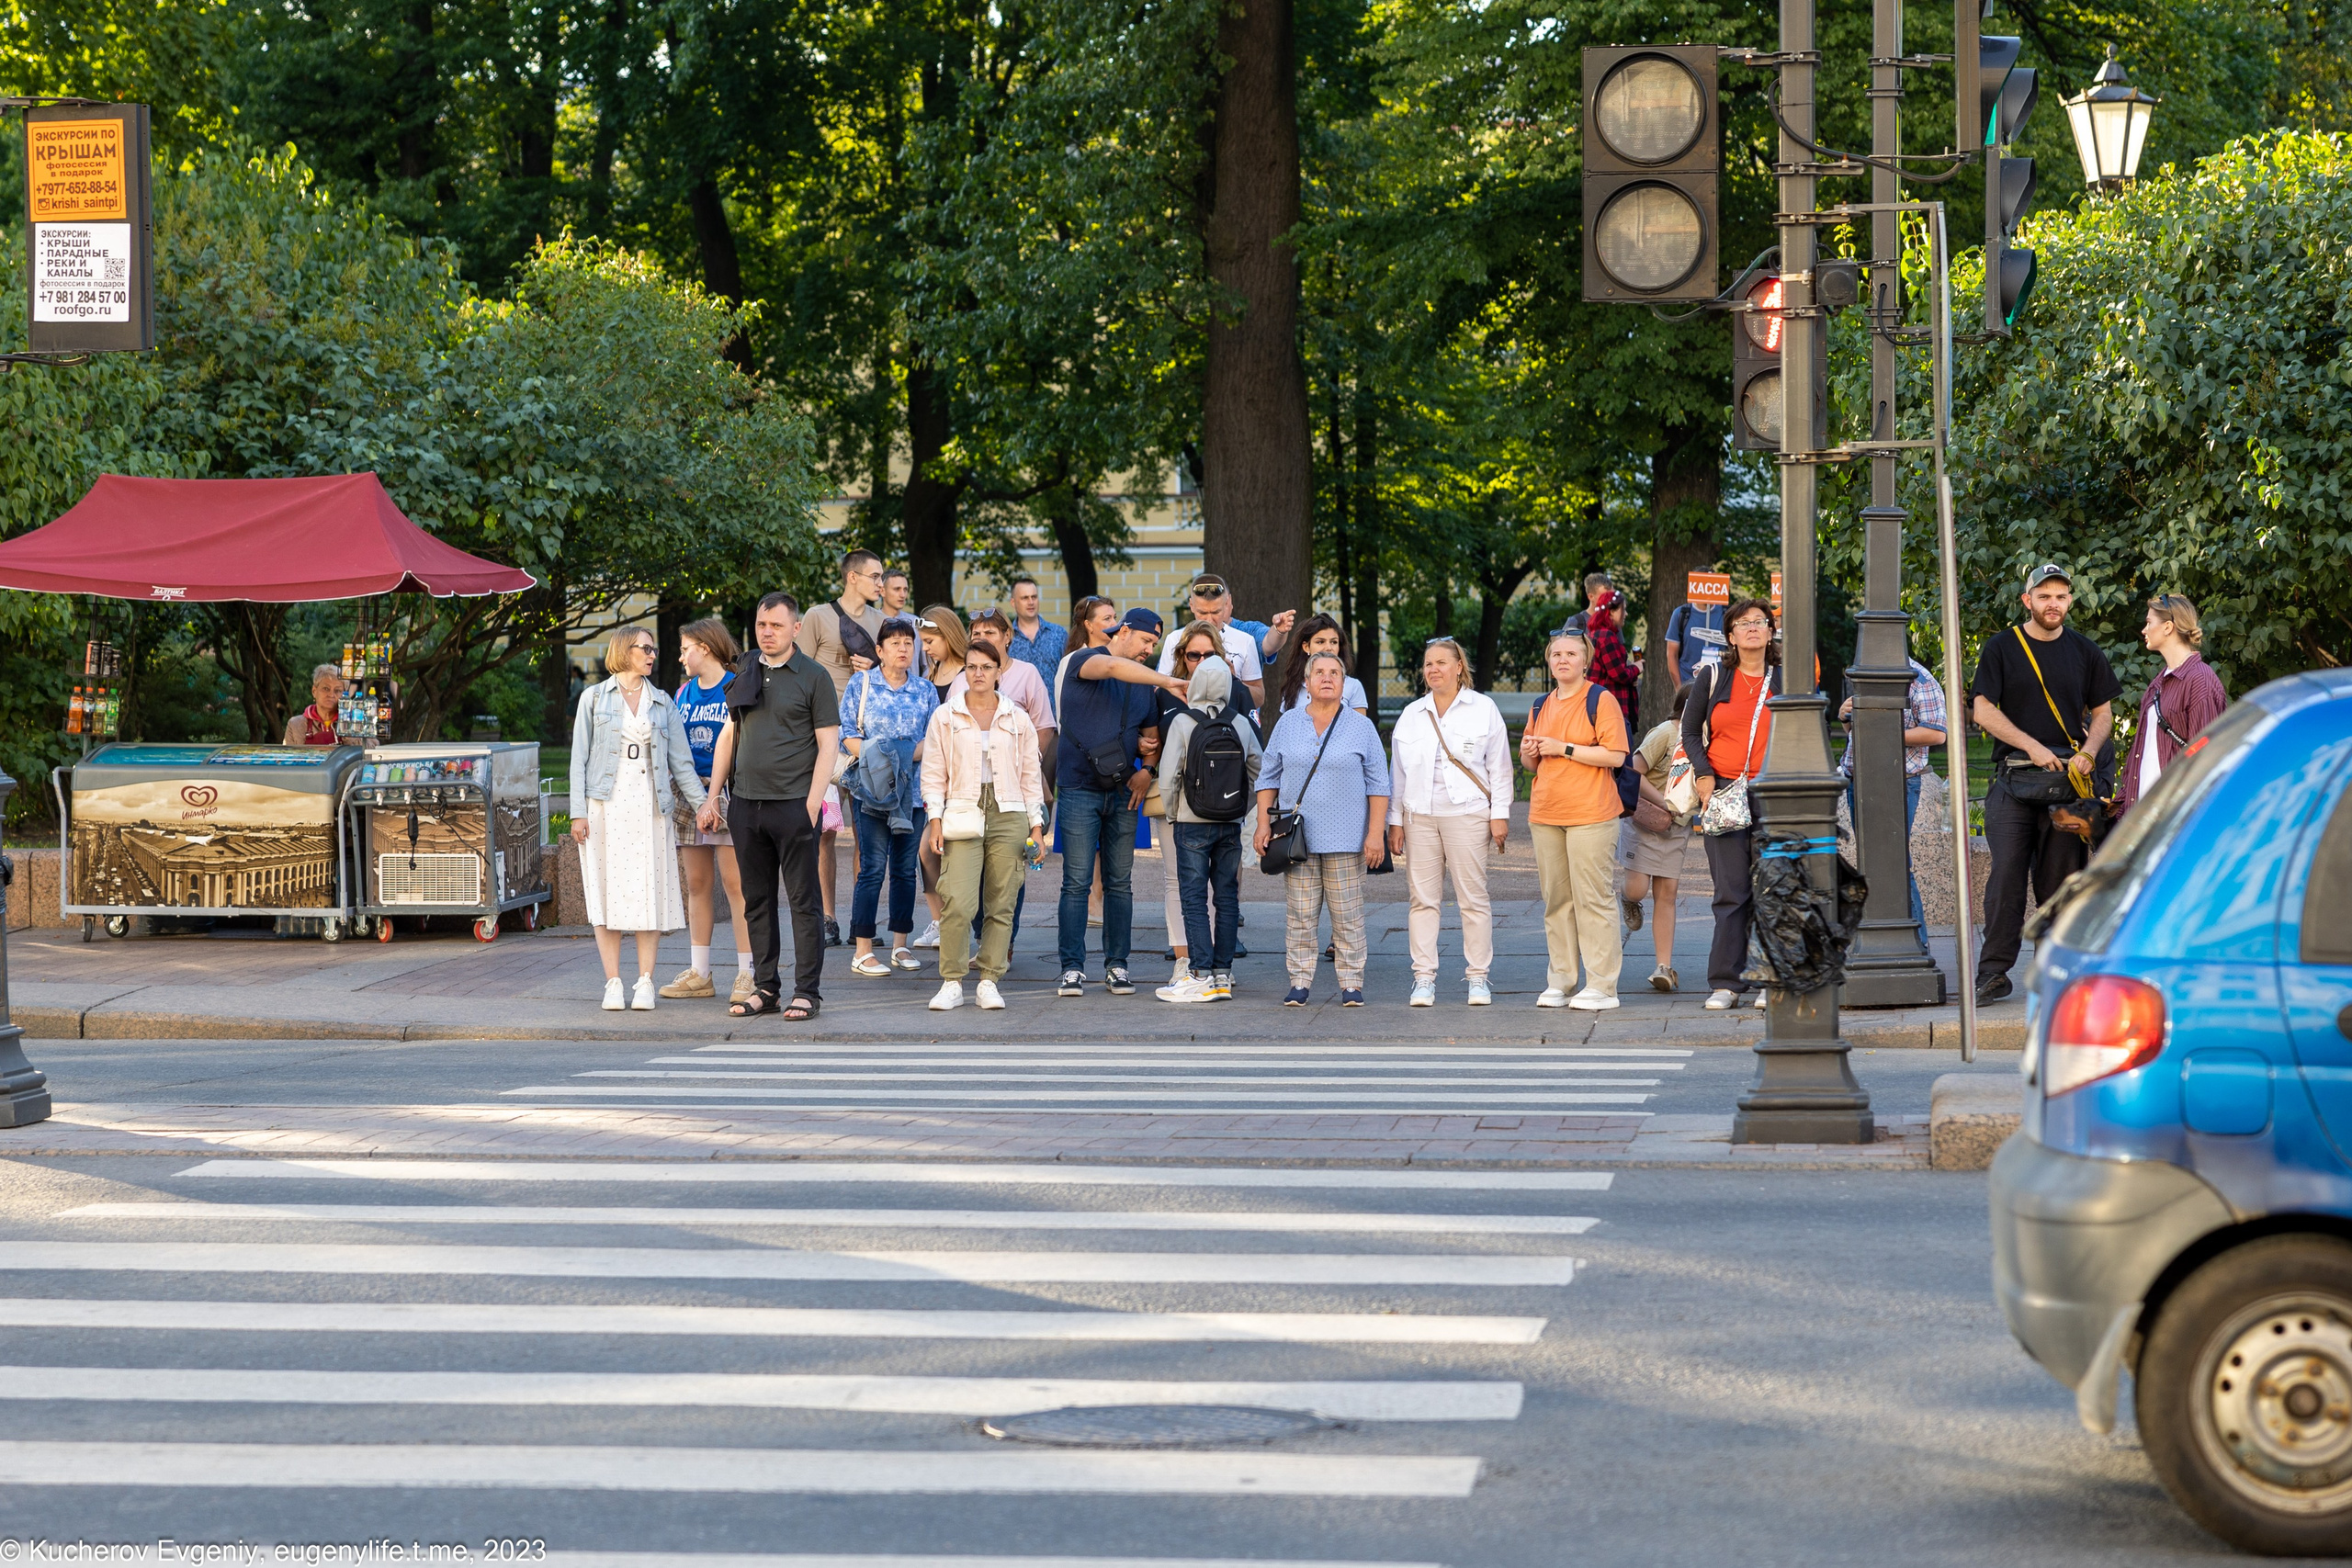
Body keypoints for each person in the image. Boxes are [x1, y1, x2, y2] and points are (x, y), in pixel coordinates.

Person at [1969, 563, 2121, 1004]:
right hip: (2015, 781)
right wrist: (2034, 747)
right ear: (2027, 600)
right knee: (2006, 880)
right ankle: (1993, 973)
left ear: (2069, 601)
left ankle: (2055, 972)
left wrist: (2089, 753)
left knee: (2060, 881)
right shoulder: (2002, 648)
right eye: (2044, 596)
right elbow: (1982, 710)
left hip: (2067, 786)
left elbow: (2103, 713)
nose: (2053, 604)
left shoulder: (2086, 651)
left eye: (2060, 596)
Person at [699, 592, 839, 1022]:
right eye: (763, 625)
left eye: (777, 626)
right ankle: (766, 987)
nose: (768, 633)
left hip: (795, 805)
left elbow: (828, 744)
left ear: (796, 628)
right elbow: (728, 734)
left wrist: (812, 805)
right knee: (755, 900)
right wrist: (714, 795)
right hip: (746, 806)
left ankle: (807, 992)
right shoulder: (745, 668)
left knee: (803, 901)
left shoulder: (813, 676)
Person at [570, 627, 706, 1011]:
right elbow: (578, 758)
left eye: (654, 648)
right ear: (623, 651)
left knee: (650, 891)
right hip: (605, 806)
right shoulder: (594, 698)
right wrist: (578, 811)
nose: (652, 655)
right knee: (606, 893)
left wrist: (703, 807)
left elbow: (682, 764)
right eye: (645, 648)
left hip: (649, 805)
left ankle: (645, 980)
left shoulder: (662, 702)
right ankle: (613, 981)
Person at [1057, 607, 1187, 998]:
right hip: (1079, 787)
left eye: (1154, 644)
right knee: (1076, 882)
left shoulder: (1144, 687)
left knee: (1120, 884)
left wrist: (1147, 768)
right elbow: (1112, 669)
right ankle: (1072, 968)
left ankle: (1117, 965)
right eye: (1146, 640)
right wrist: (1168, 680)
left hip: (1124, 792)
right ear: (1124, 631)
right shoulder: (1085, 658)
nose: (1149, 649)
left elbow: (1151, 739)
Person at [1256, 652, 1389, 1005]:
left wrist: (1375, 834)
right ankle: (1300, 981)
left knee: (1348, 915)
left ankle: (1351, 983)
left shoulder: (1361, 727)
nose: (1327, 678)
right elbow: (1267, 776)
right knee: (1300, 914)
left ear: (1344, 684)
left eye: (1334, 673)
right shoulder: (1287, 723)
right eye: (1319, 672)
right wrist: (1261, 824)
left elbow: (1379, 784)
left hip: (1347, 838)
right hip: (1296, 838)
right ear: (1306, 682)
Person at [921, 641, 1046, 1011]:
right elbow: (932, 774)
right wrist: (935, 820)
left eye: (986, 667)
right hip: (961, 808)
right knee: (958, 898)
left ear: (998, 672)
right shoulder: (946, 716)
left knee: (1002, 899)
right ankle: (952, 980)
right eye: (972, 667)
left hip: (1009, 812)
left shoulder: (1017, 718)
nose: (978, 673)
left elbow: (1030, 777)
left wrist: (1036, 827)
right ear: (964, 672)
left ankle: (990, 978)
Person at [1386, 637, 1512, 1007]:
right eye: (1428, 664)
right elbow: (1398, 774)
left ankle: (1478, 978)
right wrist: (1395, 822)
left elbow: (1500, 767)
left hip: (1468, 814)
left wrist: (1500, 815)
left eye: (1441, 662)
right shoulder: (1412, 714)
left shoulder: (1483, 708)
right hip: (1419, 817)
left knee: (1472, 899)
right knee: (1422, 900)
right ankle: (1423, 978)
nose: (1434, 669)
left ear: (1459, 667)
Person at [1521, 629, 1632, 1010]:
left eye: (1571, 653)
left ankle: (1602, 985)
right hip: (1546, 813)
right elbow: (1531, 763)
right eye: (1556, 654)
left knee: (1593, 899)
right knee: (1556, 902)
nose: (1563, 660)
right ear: (1549, 661)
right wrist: (1530, 750)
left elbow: (1616, 755)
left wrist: (1563, 748)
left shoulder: (1600, 699)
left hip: (1591, 813)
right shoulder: (1540, 704)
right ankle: (1562, 980)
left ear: (1586, 661)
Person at [1151, 623, 1262, 998]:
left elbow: (1168, 778)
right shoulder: (1240, 723)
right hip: (1229, 823)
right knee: (1227, 897)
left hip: (1190, 821)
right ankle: (1223, 973)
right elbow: (1258, 770)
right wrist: (1240, 807)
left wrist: (1172, 811)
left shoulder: (1183, 722)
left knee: (1194, 897)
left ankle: (1198, 973)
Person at [1683, 598, 1782, 1010]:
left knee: (1773, 887)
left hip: (1775, 794)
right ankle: (1726, 982)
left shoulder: (1788, 678)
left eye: (1760, 622)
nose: (1753, 629)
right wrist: (1705, 774)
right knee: (1731, 891)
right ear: (1731, 636)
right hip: (1723, 792)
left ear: (1771, 632)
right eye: (1743, 624)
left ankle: (1770, 980)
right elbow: (1689, 733)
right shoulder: (1713, 676)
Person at [660, 617, 755, 1005]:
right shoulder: (684, 692)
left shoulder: (735, 686)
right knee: (698, 885)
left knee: (737, 887)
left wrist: (714, 796)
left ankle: (749, 971)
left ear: (706, 648)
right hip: (688, 793)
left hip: (728, 793)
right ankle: (700, 972)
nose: (681, 656)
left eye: (686, 648)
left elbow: (740, 743)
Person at [797, 547, 888, 949]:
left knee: (866, 829)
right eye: (875, 577)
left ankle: (860, 920)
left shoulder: (882, 621)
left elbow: (892, 677)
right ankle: (827, 918)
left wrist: (875, 669)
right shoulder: (819, 616)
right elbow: (798, 671)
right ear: (853, 577)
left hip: (862, 735)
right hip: (822, 735)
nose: (881, 584)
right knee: (824, 833)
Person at [840, 617, 938, 978]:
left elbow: (934, 741)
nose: (902, 648)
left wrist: (896, 755)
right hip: (871, 793)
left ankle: (901, 943)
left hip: (912, 795)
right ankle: (863, 947)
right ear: (879, 650)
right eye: (894, 643)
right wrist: (885, 760)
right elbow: (847, 735)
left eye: (908, 643)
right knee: (872, 869)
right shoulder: (861, 684)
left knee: (904, 871)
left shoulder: (925, 691)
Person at [1837, 655, 1949, 939]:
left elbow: (1936, 734)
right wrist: (1846, 718)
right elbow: (1858, 735)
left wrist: (1882, 732)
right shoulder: (1866, 673)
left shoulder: (1919, 679)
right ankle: (1879, 939)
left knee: (1894, 864)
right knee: (1872, 864)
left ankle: (1916, 943)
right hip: (1858, 780)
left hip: (1896, 782)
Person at [2119, 593, 2229, 816]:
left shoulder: (2200, 680)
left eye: (2149, 622)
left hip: (2175, 819)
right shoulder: (2157, 684)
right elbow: (2141, 754)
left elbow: (2204, 762)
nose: (2144, 629)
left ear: (2168, 627)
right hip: (2144, 818)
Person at [1620, 683, 1695, 994]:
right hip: (1645, 820)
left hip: (1677, 826)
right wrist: (1663, 802)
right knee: (1638, 889)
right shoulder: (1665, 732)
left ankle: (1663, 966)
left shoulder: (1707, 741)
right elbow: (1633, 771)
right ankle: (1627, 900)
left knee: (1667, 894)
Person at [910, 605, 970, 949]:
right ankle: (941, 919)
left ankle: (953, 921)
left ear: (949, 635)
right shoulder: (930, 674)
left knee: (940, 851)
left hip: (958, 778)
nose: (926, 647)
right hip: (933, 778)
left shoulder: (966, 673)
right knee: (928, 852)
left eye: (931, 641)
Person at [1159, 574, 1272, 706]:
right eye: (1202, 613)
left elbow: (1259, 699)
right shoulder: (1175, 639)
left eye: (1216, 612)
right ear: (1191, 605)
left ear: (1227, 604)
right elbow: (1160, 690)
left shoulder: (1245, 640)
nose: (1209, 620)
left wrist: (1234, 682)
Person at [1273, 614, 1370, 718]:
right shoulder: (1293, 687)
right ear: (1306, 647)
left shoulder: (1353, 686)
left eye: (1334, 642)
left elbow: (1360, 730)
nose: (1328, 648)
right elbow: (1287, 730)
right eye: (1320, 642)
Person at [1006, 576, 1069, 712]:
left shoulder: (1058, 634)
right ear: (1013, 602)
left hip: (1055, 718)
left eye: (1034, 597)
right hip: (1016, 718)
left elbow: (1069, 674)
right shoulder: (1005, 638)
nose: (1031, 602)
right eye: (1024, 598)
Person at [1584, 584, 1641, 733]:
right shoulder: (1606, 636)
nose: (1626, 614)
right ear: (1611, 612)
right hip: (1612, 709)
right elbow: (1620, 674)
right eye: (1624, 609)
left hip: (1600, 707)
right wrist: (1637, 668)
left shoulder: (1595, 634)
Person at [1665, 584, 1728, 689]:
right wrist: (1679, 688)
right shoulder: (1681, 614)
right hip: (1688, 682)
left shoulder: (1727, 614)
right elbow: (1672, 654)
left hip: (1720, 683)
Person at [282, 663, 346, 746]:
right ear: (314, 691)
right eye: (326, 689)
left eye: (337, 690)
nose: (331, 695)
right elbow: (289, 757)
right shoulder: (295, 725)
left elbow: (365, 754)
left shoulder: (354, 724)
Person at [1560, 571, 1614, 636]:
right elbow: (1562, 644)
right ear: (1591, 597)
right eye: (1604, 596)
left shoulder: (1613, 621)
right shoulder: (1576, 622)